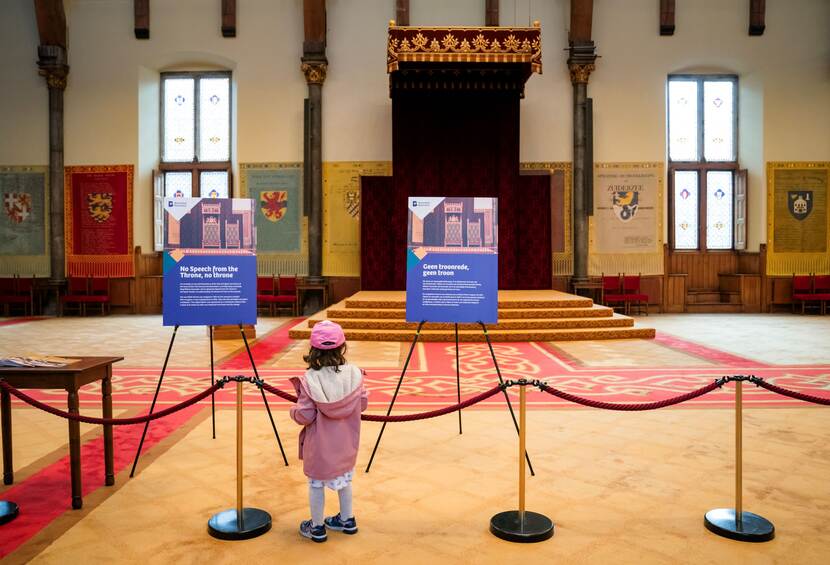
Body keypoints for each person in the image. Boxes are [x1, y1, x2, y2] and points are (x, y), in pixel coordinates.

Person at [290, 320, 368, 543]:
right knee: (345, 481)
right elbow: (362, 404)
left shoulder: (311, 380)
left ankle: (317, 527)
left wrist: (292, 411)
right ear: (342, 347)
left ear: (313, 350)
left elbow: (305, 416)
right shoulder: (354, 374)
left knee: (316, 484)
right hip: (346, 445)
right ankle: (347, 520)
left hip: (321, 449)